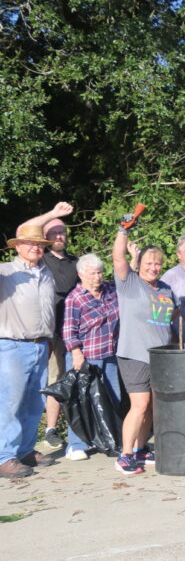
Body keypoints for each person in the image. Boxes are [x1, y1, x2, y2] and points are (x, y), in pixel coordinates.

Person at [0, 203, 72, 478]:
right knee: (9, 402)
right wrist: (53, 214)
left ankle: (24, 451)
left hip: (41, 345)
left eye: (39, 243)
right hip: (12, 346)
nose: (35, 247)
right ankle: (4, 455)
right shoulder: (7, 272)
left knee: (33, 403)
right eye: (29, 243)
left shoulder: (46, 273)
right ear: (17, 246)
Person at [112, 207, 178, 475]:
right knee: (138, 406)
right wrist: (123, 230)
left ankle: (140, 449)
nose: (154, 267)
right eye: (149, 263)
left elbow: (172, 323)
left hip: (159, 356)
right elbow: (118, 257)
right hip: (134, 354)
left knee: (152, 406)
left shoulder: (165, 288)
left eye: (158, 263)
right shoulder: (130, 283)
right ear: (139, 264)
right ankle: (125, 455)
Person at [61, 253, 121, 461]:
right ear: (81, 275)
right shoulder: (75, 298)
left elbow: (126, 279)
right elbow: (69, 331)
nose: (97, 277)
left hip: (110, 354)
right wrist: (76, 353)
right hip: (86, 356)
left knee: (113, 398)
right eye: (92, 273)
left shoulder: (111, 290)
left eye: (99, 272)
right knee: (82, 401)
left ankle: (110, 439)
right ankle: (76, 444)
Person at [40, 217, 79, 450]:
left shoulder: (76, 262)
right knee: (45, 380)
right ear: (45, 237)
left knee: (66, 380)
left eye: (62, 232)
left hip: (72, 331)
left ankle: (68, 427)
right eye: (53, 232)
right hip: (46, 332)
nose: (59, 236)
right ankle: (48, 429)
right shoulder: (41, 260)